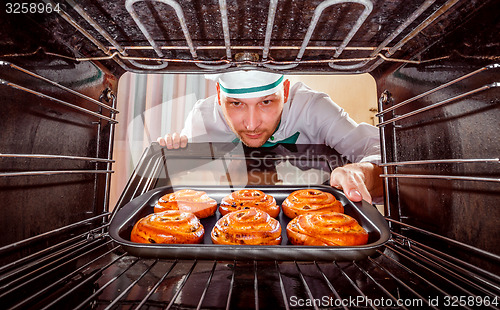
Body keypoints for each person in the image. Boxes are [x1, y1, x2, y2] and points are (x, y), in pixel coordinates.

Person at [157, 70, 383, 204]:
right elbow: (186, 186)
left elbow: (376, 149)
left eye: (266, 102)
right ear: (218, 95)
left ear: (285, 91)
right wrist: (176, 152)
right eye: (236, 104)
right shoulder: (203, 119)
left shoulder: (313, 108)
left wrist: (361, 172)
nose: (252, 124)